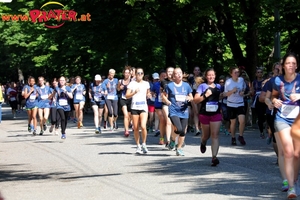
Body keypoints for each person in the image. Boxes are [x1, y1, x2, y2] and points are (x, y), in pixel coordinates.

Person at [272, 53, 300, 199]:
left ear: (296, 65)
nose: (291, 65)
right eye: (288, 63)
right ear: (283, 66)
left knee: (297, 154)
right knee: (288, 152)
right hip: (282, 118)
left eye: (293, 63)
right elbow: (273, 96)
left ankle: (294, 179)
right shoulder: (278, 80)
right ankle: (291, 187)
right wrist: (274, 101)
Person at [194, 68, 222, 166]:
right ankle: (203, 141)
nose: (211, 77)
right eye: (209, 75)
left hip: (216, 113)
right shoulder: (202, 86)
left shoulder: (218, 86)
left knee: (215, 135)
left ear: (215, 76)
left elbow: (220, 96)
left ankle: (214, 157)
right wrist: (205, 95)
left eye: (213, 75)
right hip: (205, 114)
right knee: (206, 135)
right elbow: (196, 100)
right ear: (206, 76)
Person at [164, 67, 193, 156]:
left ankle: (179, 148)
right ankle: (173, 140)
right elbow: (163, 96)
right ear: (173, 76)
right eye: (177, 73)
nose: (179, 74)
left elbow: (191, 97)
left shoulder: (186, 85)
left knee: (183, 131)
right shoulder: (169, 85)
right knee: (179, 129)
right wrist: (167, 101)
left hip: (184, 111)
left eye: (180, 72)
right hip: (174, 111)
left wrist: (189, 98)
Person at [126, 68, 151, 154]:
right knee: (136, 127)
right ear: (135, 74)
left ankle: (144, 143)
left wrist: (149, 95)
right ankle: (138, 145)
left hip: (143, 107)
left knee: (143, 126)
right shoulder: (132, 84)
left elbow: (148, 93)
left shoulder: (146, 83)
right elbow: (127, 95)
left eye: (141, 73)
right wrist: (134, 93)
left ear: (143, 74)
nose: (140, 74)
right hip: (134, 107)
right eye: (138, 73)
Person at [224, 66, 246, 145]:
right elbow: (225, 94)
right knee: (233, 122)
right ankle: (233, 137)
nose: (237, 74)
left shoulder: (241, 80)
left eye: (238, 72)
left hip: (240, 103)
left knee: (242, 121)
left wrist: (242, 92)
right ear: (231, 74)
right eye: (235, 73)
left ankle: (240, 136)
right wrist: (232, 91)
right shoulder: (228, 82)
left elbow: (244, 88)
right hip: (231, 104)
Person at [161, 67, 175, 148]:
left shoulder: (178, 82)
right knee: (169, 121)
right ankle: (168, 140)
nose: (170, 73)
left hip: (176, 104)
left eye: (171, 71)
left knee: (174, 123)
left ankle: (174, 139)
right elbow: (162, 92)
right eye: (168, 71)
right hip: (166, 103)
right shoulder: (164, 82)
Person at [251, 68, 267, 138]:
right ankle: (261, 132)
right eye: (258, 72)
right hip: (257, 99)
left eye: (261, 72)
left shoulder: (265, 81)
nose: (259, 73)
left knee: (266, 115)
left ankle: (266, 125)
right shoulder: (254, 82)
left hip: (265, 99)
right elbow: (252, 91)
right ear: (256, 74)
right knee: (260, 116)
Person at [152, 71, 167, 144]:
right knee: (162, 120)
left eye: (165, 76)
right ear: (159, 77)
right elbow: (151, 92)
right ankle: (161, 138)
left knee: (167, 121)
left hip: (166, 104)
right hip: (158, 104)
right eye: (162, 76)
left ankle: (168, 137)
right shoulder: (156, 84)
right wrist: (153, 94)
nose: (164, 77)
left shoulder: (168, 84)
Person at [117, 66, 132, 137]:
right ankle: (126, 130)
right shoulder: (120, 81)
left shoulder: (132, 81)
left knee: (129, 116)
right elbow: (118, 89)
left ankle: (128, 124)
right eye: (125, 73)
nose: (126, 74)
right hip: (123, 99)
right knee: (126, 115)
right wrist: (119, 88)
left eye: (128, 73)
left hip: (131, 99)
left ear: (130, 73)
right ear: (123, 73)